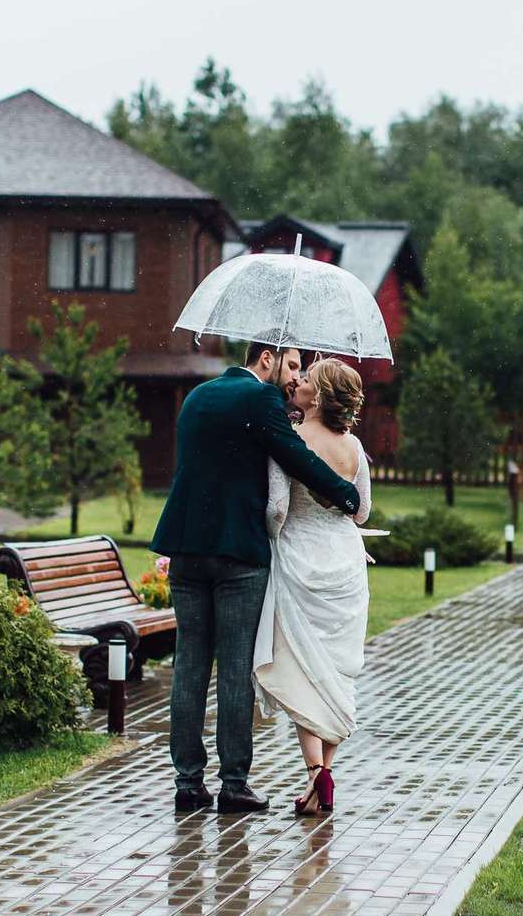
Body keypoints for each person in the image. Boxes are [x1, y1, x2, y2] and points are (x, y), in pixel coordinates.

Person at [150, 342, 361, 814]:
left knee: (189, 665)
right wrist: (346, 495)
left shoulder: (198, 396)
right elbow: (297, 458)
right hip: (237, 553)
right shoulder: (261, 398)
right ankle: (233, 784)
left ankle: (188, 783)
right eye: (292, 365)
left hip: (185, 546)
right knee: (234, 667)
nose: (295, 378)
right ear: (266, 358)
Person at [253, 358, 373, 816]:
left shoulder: (292, 439)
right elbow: (361, 512)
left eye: (307, 378)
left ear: (318, 396)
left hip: (300, 558)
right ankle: (325, 774)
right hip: (344, 562)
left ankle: (314, 772)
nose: (298, 381)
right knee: (337, 671)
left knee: (304, 667)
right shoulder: (354, 447)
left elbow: (277, 509)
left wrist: (273, 537)